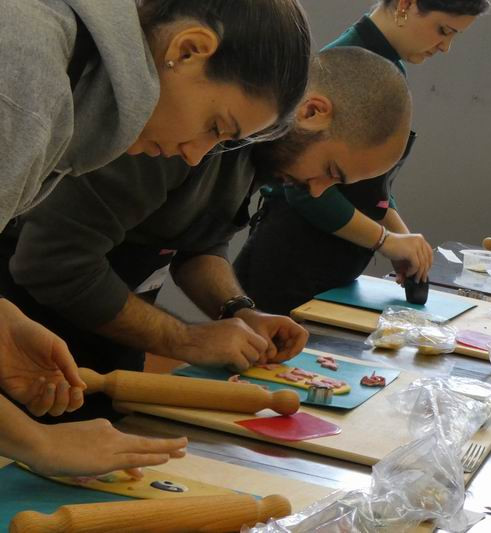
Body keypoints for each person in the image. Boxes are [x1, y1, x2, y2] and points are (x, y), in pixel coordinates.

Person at [0, 46, 411, 422]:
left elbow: (199, 240)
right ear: (313, 111)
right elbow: (52, 262)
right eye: (330, 172)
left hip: (106, 347)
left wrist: (239, 311)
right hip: (28, 347)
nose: (318, 191)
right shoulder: (180, 134)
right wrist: (185, 339)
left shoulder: (259, 150)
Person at [0, 0, 310, 475]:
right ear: (188, 50)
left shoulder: (68, 76)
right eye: (215, 127)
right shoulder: (28, 74)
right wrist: (38, 442)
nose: (196, 155)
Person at [235, 0, 490, 315]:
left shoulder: (387, 66)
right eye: (443, 30)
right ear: (405, 5)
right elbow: (304, 191)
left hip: (326, 264)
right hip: (290, 262)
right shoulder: (348, 63)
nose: (445, 47)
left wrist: (401, 236)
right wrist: (385, 240)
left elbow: (370, 186)